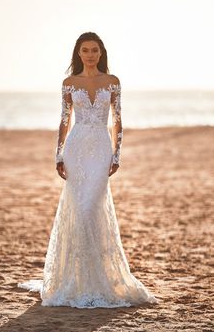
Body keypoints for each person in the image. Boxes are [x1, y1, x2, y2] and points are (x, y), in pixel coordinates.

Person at [18, 32, 159, 308]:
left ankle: (98, 278)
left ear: (101, 52)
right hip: (76, 148)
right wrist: (58, 154)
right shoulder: (69, 83)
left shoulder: (112, 82)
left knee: (91, 207)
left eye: (95, 50)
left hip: (100, 148)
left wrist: (117, 153)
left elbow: (118, 120)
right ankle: (76, 279)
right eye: (86, 50)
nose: (91, 54)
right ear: (79, 53)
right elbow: (64, 120)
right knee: (79, 209)